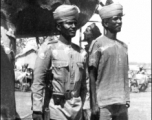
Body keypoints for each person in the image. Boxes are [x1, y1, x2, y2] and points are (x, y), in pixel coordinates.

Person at [31, 5, 89, 120]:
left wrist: (86, 107)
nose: (73, 26)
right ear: (58, 26)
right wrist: (37, 109)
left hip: (77, 110)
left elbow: (85, 84)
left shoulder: (81, 52)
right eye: (69, 23)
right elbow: (38, 81)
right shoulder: (48, 49)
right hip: (57, 109)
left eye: (74, 23)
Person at [89, 2, 130, 120]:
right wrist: (94, 104)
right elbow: (92, 76)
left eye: (120, 19)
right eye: (115, 19)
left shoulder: (124, 47)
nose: (119, 22)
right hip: (103, 104)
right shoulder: (98, 44)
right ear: (105, 23)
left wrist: (126, 98)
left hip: (121, 103)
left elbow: (124, 75)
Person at [82, 23, 101, 120]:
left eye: (87, 30)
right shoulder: (88, 50)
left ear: (92, 34)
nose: (84, 32)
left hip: (92, 91)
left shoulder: (94, 48)